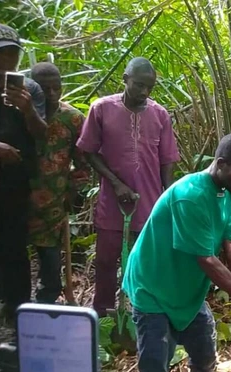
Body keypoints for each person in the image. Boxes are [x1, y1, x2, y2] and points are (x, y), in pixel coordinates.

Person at [122, 133, 231, 372]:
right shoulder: (191, 196)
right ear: (220, 163)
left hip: (185, 287)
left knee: (204, 343)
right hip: (153, 286)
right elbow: (206, 260)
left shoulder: (227, 192)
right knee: (156, 359)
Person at [76, 57, 180, 316]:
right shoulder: (101, 109)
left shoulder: (160, 114)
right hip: (112, 202)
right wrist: (116, 184)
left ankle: (142, 316)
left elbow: (167, 160)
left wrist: (167, 201)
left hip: (149, 202)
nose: (144, 92)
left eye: (149, 87)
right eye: (138, 85)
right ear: (124, 79)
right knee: (106, 260)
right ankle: (103, 316)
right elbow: (88, 151)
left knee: (144, 262)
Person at [0, 23, 47, 319]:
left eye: (13, 54)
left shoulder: (29, 89)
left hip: (14, 186)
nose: (8, 60)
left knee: (15, 250)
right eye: (1, 53)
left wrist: (28, 109)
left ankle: (17, 316)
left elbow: (42, 134)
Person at [25, 62, 90, 303]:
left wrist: (71, 193)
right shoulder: (18, 113)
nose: (51, 94)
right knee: (10, 251)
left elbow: (83, 164)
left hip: (53, 201)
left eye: (56, 88)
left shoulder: (72, 118)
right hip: (15, 197)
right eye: (44, 88)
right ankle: (11, 303)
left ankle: (48, 300)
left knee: (50, 256)